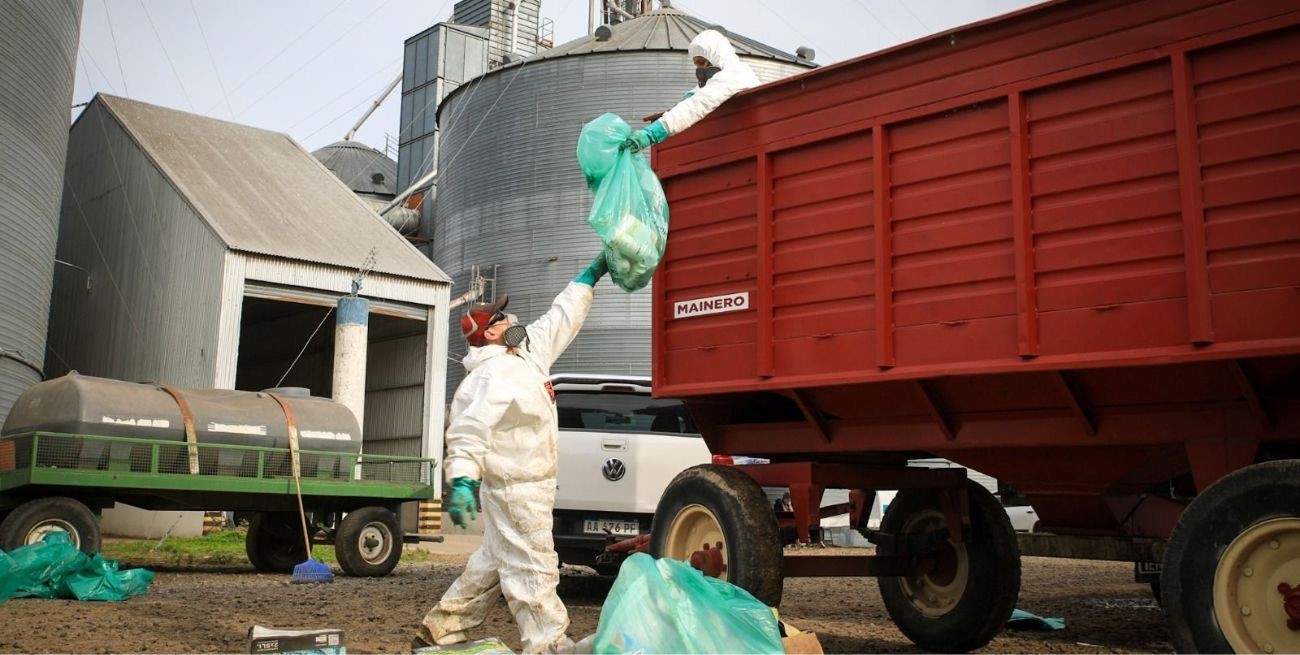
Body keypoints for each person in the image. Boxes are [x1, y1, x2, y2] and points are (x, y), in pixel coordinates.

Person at [415, 253, 608, 655]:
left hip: (529, 485)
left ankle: (441, 629)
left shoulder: (524, 356)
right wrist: (463, 477)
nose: (511, 317)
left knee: (492, 563)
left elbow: (559, 319)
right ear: (488, 334)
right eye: (502, 318)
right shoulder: (490, 376)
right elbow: (469, 427)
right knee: (532, 566)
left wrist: (589, 277)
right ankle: (548, 644)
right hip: (515, 489)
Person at [624, 29, 761, 152]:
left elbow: (698, 104)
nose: (699, 70)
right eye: (696, 64)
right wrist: (687, 98)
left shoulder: (734, 75)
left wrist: (651, 133)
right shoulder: (724, 77)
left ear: (715, 57)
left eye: (701, 63)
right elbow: (698, 95)